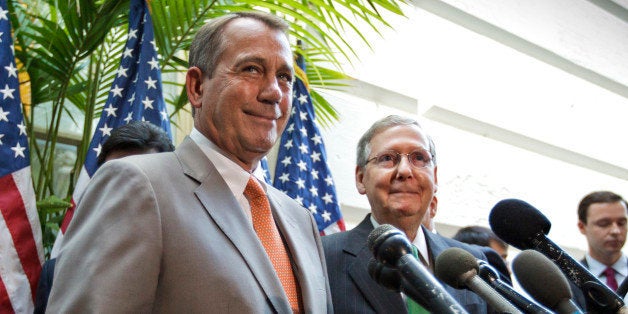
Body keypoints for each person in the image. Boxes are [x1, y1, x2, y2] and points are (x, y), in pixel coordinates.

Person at [47, 11, 331, 313]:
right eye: (251, 69)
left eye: (284, 77)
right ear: (197, 86)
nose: (274, 92)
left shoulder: (301, 220)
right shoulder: (137, 186)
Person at [322, 115, 493, 313]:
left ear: (435, 177)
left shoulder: (470, 262)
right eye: (387, 158)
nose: (404, 170)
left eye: (419, 158)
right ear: (361, 178)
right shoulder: (323, 257)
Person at [33, 121, 175, 313]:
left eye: (140, 180)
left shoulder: (191, 272)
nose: (124, 190)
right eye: (113, 178)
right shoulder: (56, 273)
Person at [572, 190, 628, 309]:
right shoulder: (567, 283)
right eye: (604, 223)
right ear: (582, 227)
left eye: (621, 223)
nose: (615, 231)